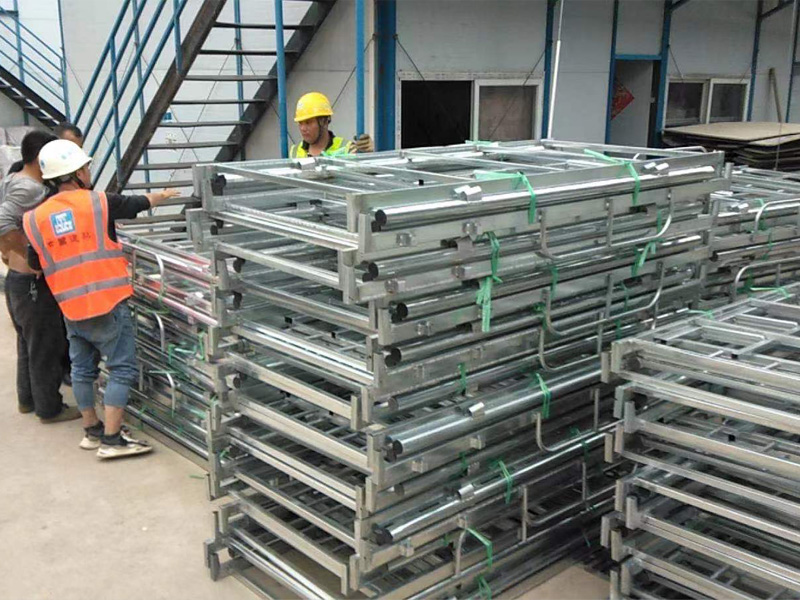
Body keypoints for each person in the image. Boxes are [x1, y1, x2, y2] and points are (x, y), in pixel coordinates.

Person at [23, 139, 180, 458]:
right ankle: (112, 439)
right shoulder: (98, 202)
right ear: (76, 173)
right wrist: (162, 196)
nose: (89, 171)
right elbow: (136, 203)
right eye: (86, 167)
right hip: (108, 304)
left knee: (82, 370)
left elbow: (35, 263)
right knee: (121, 369)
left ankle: (92, 431)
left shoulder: (34, 218)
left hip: (70, 308)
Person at [0, 130, 79, 422]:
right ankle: (49, 409)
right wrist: (27, 254)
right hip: (31, 283)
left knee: (28, 344)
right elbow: (2, 220)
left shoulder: (13, 178)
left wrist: (8, 251)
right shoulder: (30, 188)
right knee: (46, 346)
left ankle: (28, 401)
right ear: (40, 158)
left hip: (17, 281)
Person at [289, 91, 374, 158]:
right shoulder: (294, 152)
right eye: (300, 123)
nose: (303, 128)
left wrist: (371, 153)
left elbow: (367, 171)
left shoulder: (348, 149)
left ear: (324, 121)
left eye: (308, 122)